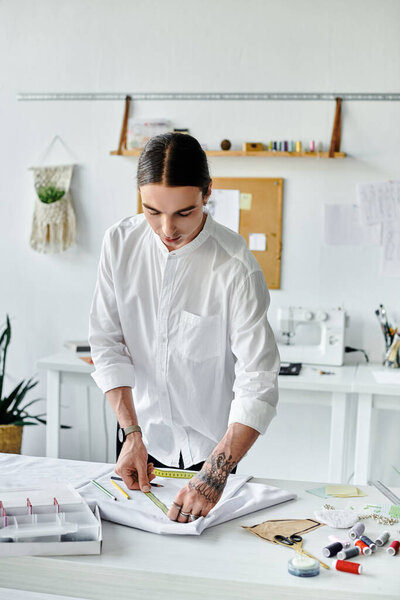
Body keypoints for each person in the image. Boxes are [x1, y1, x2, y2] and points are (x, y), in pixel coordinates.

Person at [88, 133, 280, 524]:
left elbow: (258, 378)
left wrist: (213, 476)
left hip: (213, 454)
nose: (166, 228)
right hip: (138, 436)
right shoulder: (119, 244)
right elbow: (107, 343)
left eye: (183, 213)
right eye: (152, 211)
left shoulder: (235, 266)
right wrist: (131, 434)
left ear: (208, 193)